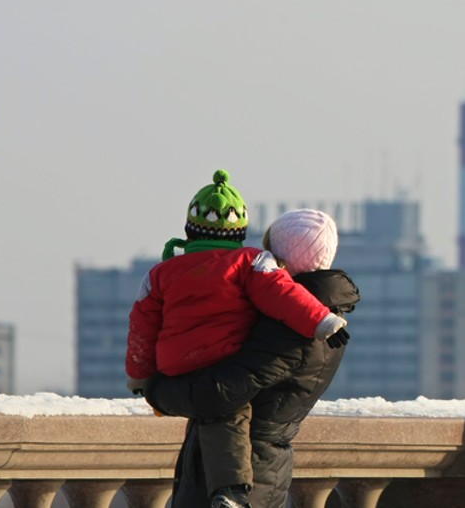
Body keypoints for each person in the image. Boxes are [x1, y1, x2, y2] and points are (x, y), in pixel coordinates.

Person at [125, 172, 349, 508]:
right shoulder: (301, 315)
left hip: (250, 470)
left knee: (229, 412)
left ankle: (230, 491)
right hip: (258, 463)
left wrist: (150, 384)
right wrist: (321, 319)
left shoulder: (286, 328)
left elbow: (220, 395)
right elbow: (284, 297)